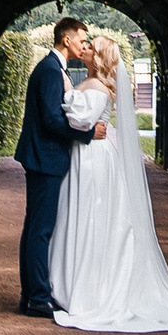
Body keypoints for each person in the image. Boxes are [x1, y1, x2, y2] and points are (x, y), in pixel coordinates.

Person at [48, 34, 168, 332]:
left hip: (92, 158)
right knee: (83, 216)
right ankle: (73, 284)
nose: (87, 48)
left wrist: (67, 93)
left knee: (89, 216)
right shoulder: (98, 83)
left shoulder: (97, 87)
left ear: (100, 57)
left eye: (92, 47)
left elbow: (81, 120)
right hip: (88, 154)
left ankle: (84, 291)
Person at [13, 17, 106, 317]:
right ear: (66, 40)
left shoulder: (52, 68)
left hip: (42, 157)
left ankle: (31, 294)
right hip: (45, 158)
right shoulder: (52, 70)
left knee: (34, 228)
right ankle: (38, 297)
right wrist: (89, 134)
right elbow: (52, 120)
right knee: (41, 229)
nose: (84, 45)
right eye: (81, 40)